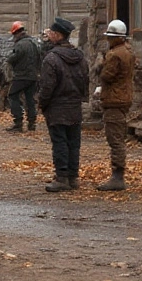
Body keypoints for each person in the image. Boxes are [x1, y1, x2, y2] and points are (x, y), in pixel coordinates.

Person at [37, 17, 88, 193]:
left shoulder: (51, 59)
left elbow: (47, 86)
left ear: (58, 35)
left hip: (57, 107)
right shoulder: (79, 57)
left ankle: (62, 177)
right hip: (74, 105)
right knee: (74, 142)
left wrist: (42, 103)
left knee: (59, 142)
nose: (48, 35)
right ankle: (73, 177)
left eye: (51, 32)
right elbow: (85, 80)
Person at [97, 19, 135, 191]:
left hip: (114, 99)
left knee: (115, 139)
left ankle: (117, 176)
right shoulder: (128, 51)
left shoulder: (114, 55)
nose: (108, 40)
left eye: (110, 37)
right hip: (123, 97)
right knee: (118, 137)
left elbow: (106, 75)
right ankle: (117, 174)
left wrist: (100, 64)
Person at [4, 21, 42, 132]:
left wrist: (9, 61)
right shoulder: (33, 43)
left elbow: (13, 58)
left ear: (16, 33)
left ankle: (18, 123)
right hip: (33, 76)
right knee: (30, 99)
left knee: (12, 95)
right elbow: (40, 58)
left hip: (21, 76)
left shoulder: (20, 45)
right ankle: (32, 123)